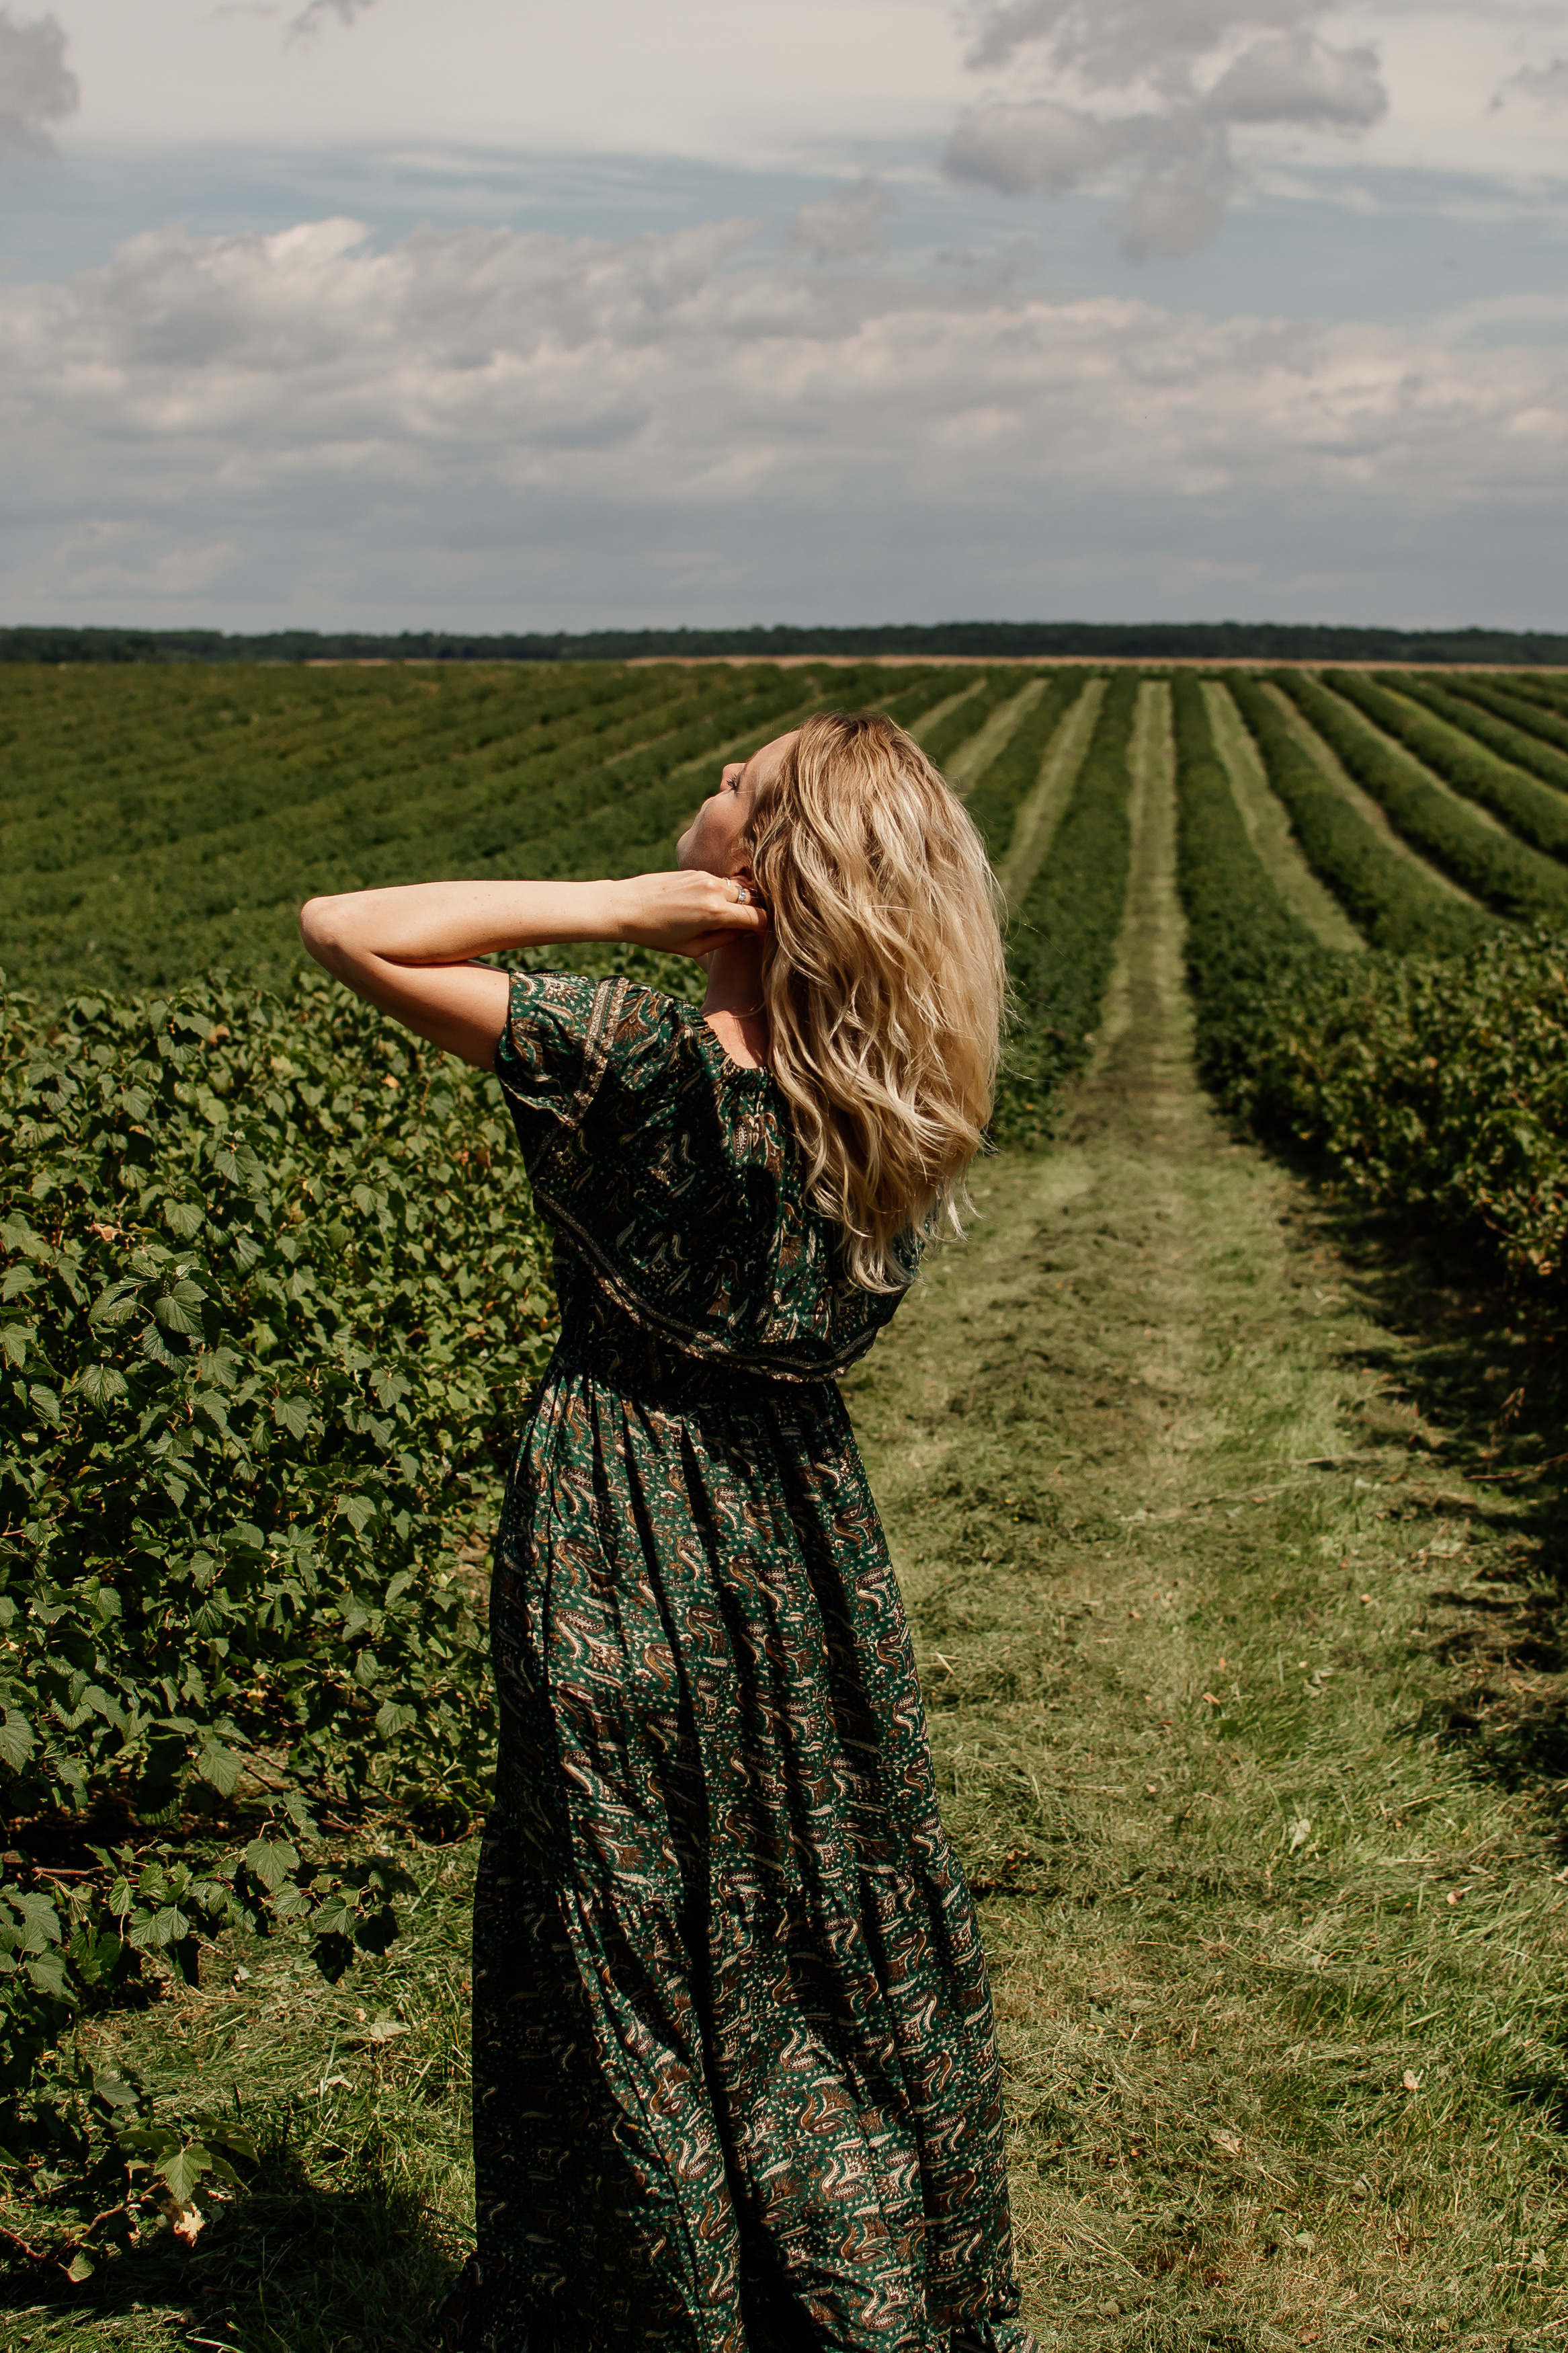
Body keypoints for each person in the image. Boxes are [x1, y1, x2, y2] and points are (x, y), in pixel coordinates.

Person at [299, 711, 1035, 2353]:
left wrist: (624, 910)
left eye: (735, 787)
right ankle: (840, 2265)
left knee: (622, 1913)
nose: (702, 792)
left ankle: (651, 2289)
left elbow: (344, 926)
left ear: (765, 869)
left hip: (610, 1517)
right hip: (803, 1541)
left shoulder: (633, 1055)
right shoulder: (887, 1099)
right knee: (809, 1898)